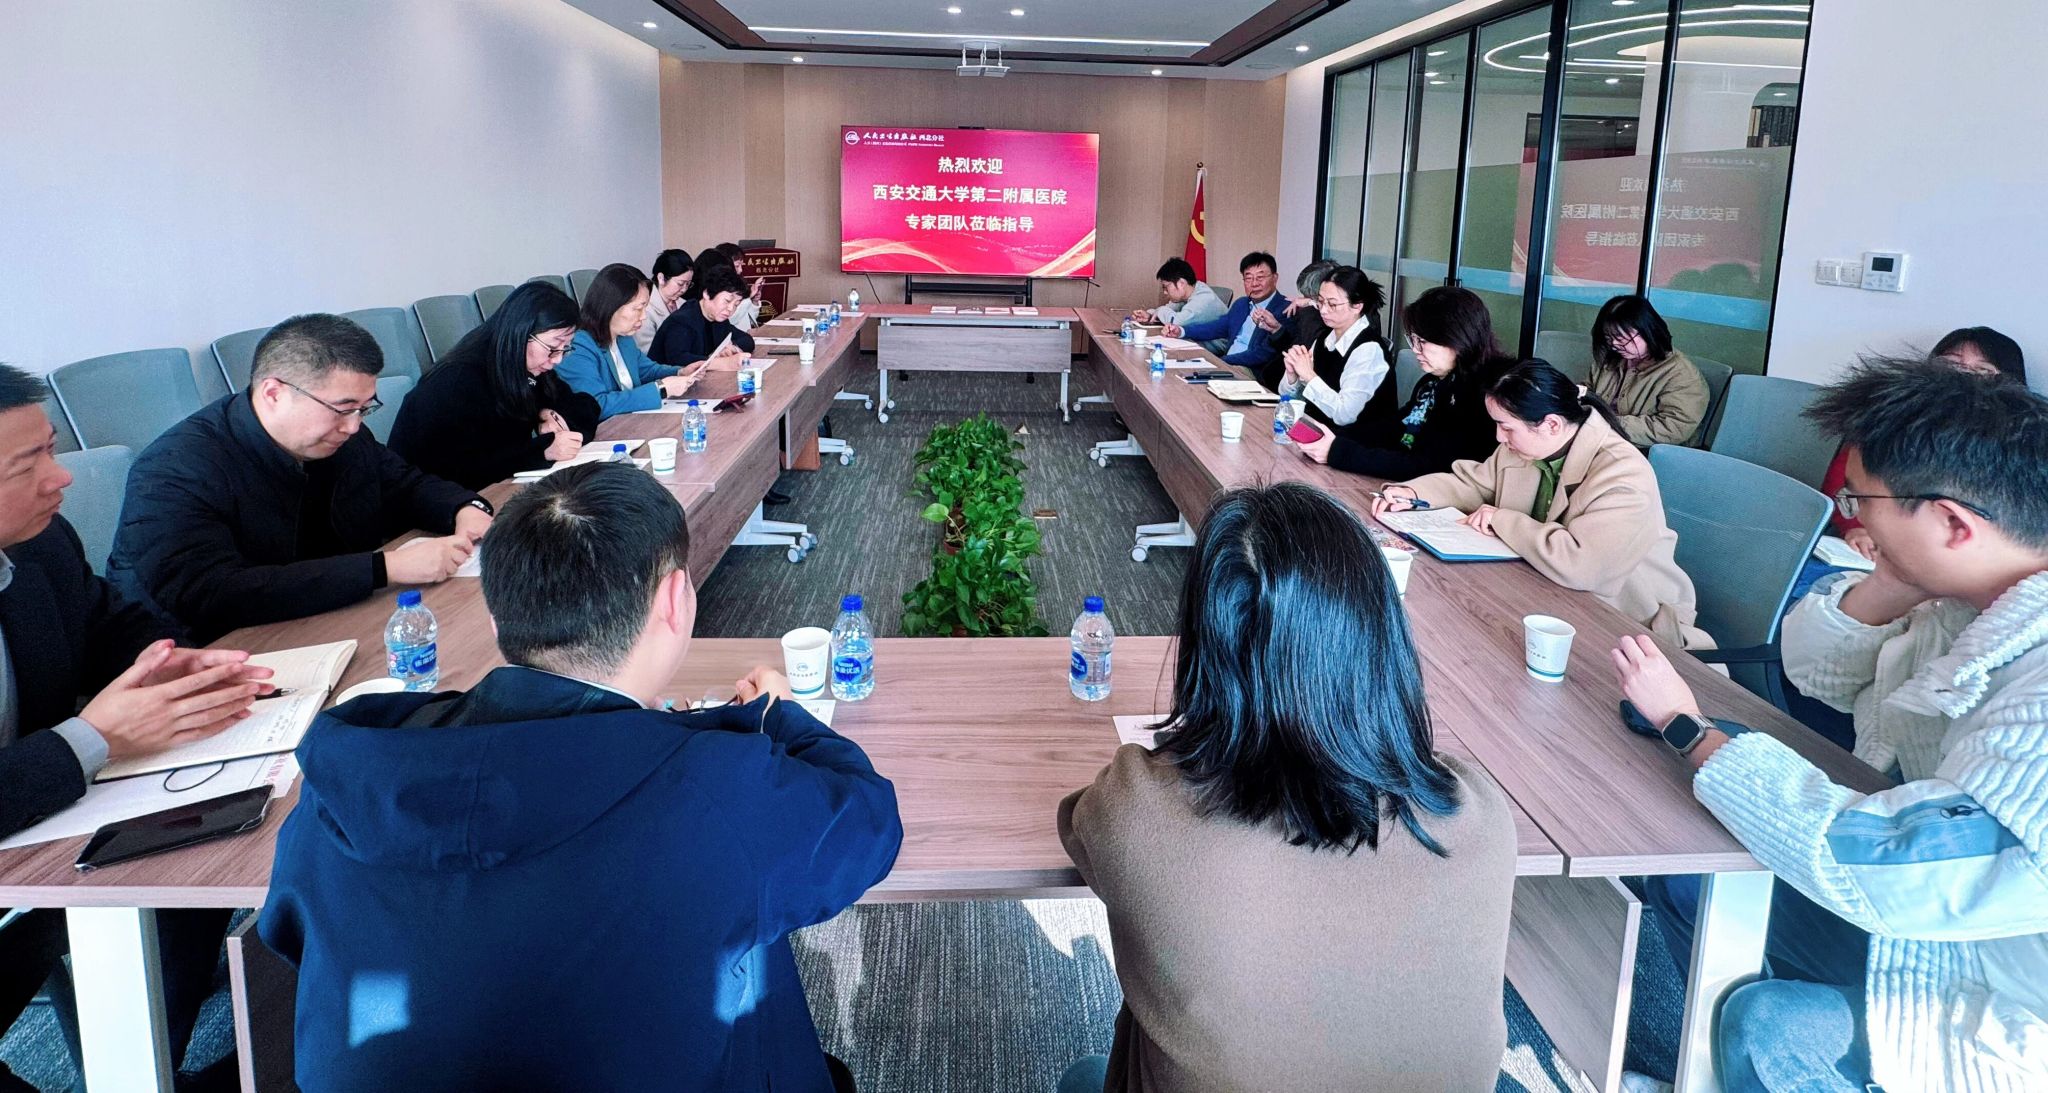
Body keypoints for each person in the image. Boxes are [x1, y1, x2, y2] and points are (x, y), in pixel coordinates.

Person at [260, 462, 900, 1093]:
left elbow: (286, 933)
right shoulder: (712, 790)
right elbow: (869, 822)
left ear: (496, 620)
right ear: (675, 599)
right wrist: (778, 715)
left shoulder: (347, 778)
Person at [1609, 357, 2048, 1093]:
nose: (1854, 516)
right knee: (1690, 879)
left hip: (1995, 989)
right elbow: (1815, 670)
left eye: (1862, 498)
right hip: (1934, 921)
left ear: (1953, 523)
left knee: (1767, 1025)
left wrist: (1692, 731)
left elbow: (1898, 863)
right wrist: (1897, 577)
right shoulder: (1968, 597)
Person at [1056, 482, 1516, 1093]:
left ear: (1205, 649)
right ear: (1381, 638)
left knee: (1083, 1075)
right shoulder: (1479, 814)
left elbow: (1079, 827)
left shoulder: (1135, 807)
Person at [0, 364, 272, 1092]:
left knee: (200, 843)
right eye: (28, 464)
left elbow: (105, 622)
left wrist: (172, 662)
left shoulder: (39, 543)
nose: (62, 478)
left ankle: (154, 1060)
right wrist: (94, 737)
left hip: (48, 829)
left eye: (52, 448)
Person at [110, 315, 490, 643]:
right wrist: (385, 568)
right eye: (342, 409)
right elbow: (213, 593)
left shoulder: (342, 436)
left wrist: (464, 508)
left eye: (364, 409)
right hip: (210, 648)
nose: (353, 426)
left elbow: (404, 483)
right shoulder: (174, 468)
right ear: (274, 393)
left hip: (329, 619)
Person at [1376, 361, 1711, 648]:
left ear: (1551, 424)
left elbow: (1583, 565)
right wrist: (1412, 493)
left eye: (1506, 427)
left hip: (1627, 622)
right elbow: (1473, 484)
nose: (1499, 437)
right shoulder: (1526, 446)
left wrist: (1502, 520)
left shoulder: (1623, 472)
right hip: (1541, 594)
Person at [1822, 327, 2027, 559]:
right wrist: (1856, 528)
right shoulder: (1896, 415)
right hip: (1873, 540)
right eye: (1952, 364)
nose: (1964, 376)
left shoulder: (2018, 440)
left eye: (1983, 370)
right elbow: (1844, 480)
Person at [388, 282, 601, 491]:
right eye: (553, 347)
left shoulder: (530, 367)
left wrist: (546, 413)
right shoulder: (457, 381)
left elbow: (587, 405)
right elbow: (460, 470)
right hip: (431, 501)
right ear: (520, 333)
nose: (558, 359)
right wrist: (542, 451)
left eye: (565, 349)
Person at [1299, 285, 1513, 479]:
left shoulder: (1484, 394)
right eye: (1413, 339)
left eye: (1423, 341)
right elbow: (1394, 427)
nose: (1415, 350)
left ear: (1457, 339)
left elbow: (1431, 466)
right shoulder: (1432, 383)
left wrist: (1339, 452)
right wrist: (1333, 437)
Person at [556, 263, 701, 419]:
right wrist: (661, 389)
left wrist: (680, 372)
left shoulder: (624, 338)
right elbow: (597, 405)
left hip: (631, 422)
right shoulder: (577, 346)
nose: (643, 316)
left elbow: (647, 371)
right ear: (611, 306)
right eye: (638, 308)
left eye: (645, 308)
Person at [1267, 265, 1393, 441]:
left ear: (1357, 306)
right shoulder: (1325, 338)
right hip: (1317, 432)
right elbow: (1291, 398)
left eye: (1332, 304)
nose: (1323, 310)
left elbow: (1344, 415)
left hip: (1355, 444)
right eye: (1320, 302)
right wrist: (1292, 376)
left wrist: (1309, 376)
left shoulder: (1369, 350)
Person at [1585, 294, 1709, 448]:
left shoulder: (1680, 374)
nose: (1614, 344)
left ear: (1647, 330)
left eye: (1621, 338)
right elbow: (1587, 391)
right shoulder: (1611, 360)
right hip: (1601, 438)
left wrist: (1608, 423)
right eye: (1609, 338)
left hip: (1647, 451)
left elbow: (1675, 427)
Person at [1163, 251, 1289, 371]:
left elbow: (1264, 354)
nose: (1254, 283)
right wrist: (1181, 331)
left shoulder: (1286, 309)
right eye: (1248, 278)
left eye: (1260, 277)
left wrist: (1221, 361)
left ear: (1275, 278)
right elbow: (1216, 328)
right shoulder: (1241, 304)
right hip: (1228, 363)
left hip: (1250, 371)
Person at [650, 264, 756, 369]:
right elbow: (678, 359)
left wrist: (733, 347)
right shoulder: (682, 320)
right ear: (707, 294)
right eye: (727, 301)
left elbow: (747, 340)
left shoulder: (718, 318)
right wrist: (720, 362)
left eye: (736, 304)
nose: (730, 308)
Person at [1262, 259, 1338, 357]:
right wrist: (1276, 329)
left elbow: (1300, 352)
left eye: (1307, 295)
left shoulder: (1311, 313)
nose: (1301, 299)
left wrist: (1310, 304)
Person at [1129, 257, 1224, 330]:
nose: (1165, 292)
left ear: (1181, 283)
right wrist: (1150, 315)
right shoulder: (1187, 294)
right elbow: (1169, 310)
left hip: (1211, 347)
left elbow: (1177, 321)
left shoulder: (1203, 298)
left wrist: (1160, 311)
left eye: (1166, 287)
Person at [633, 247, 694, 354]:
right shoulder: (645, 309)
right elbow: (648, 353)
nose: (684, 289)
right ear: (661, 278)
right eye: (680, 284)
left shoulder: (684, 304)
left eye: (688, 284)